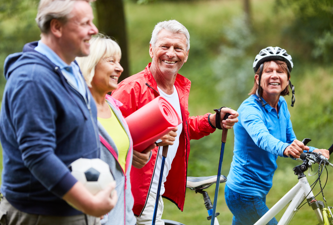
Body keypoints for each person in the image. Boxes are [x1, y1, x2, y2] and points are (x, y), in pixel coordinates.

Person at [0, 1, 117, 224]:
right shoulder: (33, 79)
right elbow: (38, 155)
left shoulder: (70, 67)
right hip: (43, 215)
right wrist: (89, 204)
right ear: (56, 27)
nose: (94, 29)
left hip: (74, 209)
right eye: (85, 23)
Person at [111, 20, 239, 225]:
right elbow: (107, 136)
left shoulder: (178, 89)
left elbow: (181, 128)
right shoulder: (131, 89)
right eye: (165, 46)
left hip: (155, 192)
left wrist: (213, 121)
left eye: (178, 48)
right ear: (151, 50)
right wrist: (135, 148)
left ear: (186, 55)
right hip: (133, 193)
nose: (171, 53)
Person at [225, 46, 330, 225]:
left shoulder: (281, 105)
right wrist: (285, 148)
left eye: (280, 71)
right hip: (244, 192)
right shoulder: (250, 109)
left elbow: (290, 140)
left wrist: (315, 150)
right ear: (258, 78)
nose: (275, 75)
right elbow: (262, 138)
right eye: (269, 71)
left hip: (259, 190)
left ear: (287, 79)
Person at [76, 34, 155, 225]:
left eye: (119, 62)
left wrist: (139, 153)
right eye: (111, 61)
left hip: (123, 216)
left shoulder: (114, 107)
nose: (120, 68)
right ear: (90, 63)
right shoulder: (77, 111)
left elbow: (118, 157)